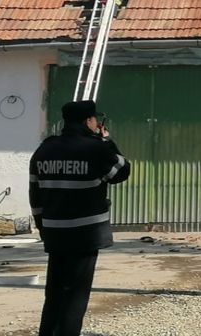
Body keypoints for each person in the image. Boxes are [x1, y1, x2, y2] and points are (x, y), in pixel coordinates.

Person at [29, 99, 131, 335]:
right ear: (89, 121)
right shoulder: (95, 148)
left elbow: (35, 193)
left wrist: (43, 227)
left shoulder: (45, 149)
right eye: (95, 120)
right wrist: (106, 140)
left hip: (54, 232)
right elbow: (122, 171)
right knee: (76, 293)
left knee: (54, 291)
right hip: (85, 234)